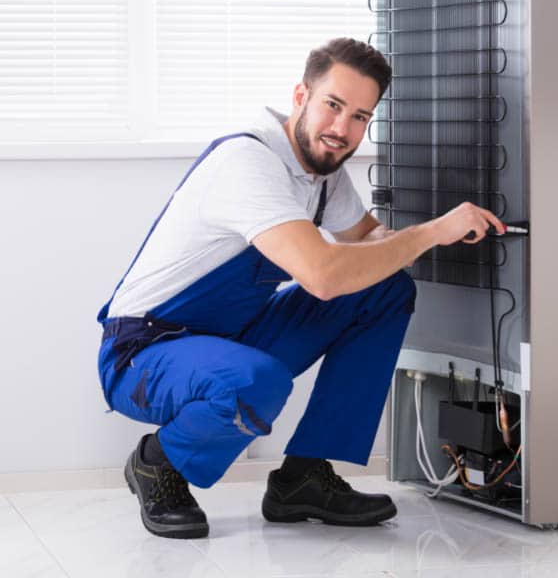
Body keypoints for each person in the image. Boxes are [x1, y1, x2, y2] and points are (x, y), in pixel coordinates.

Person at [96, 37, 505, 539]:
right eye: (333, 105)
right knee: (255, 380)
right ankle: (158, 464)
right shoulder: (250, 162)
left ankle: (303, 478)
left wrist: (436, 233)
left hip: (229, 336)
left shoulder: (320, 173)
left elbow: (371, 241)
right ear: (300, 97)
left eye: (360, 116)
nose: (342, 129)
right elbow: (325, 276)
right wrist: (431, 232)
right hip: (145, 350)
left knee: (385, 290)